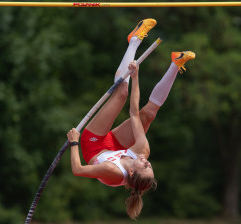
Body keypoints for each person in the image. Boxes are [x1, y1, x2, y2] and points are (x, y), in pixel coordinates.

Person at [67, 18, 195, 219]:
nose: (147, 161)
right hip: (116, 147)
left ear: (133, 174)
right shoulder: (141, 153)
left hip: (95, 146)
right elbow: (134, 113)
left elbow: (78, 169)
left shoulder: (113, 171)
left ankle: (134, 40)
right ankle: (175, 64)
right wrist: (135, 77)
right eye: (150, 165)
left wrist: (74, 142)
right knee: (148, 115)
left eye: (145, 166)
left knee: (121, 93)